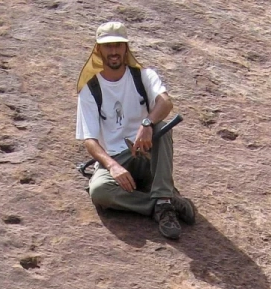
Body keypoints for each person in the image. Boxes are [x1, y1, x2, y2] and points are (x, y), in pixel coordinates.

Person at [76, 21, 196, 240]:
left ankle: (162, 198)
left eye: (118, 45)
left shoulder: (144, 76)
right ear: (98, 50)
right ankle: (163, 204)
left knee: (162, 126)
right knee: (100, 191)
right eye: (108, 46)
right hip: (116, 158)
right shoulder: (90, 89)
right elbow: (90, 140)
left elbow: (166, 103)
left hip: (147, 154)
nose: (113, 51)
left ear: (126, 48)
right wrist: (112, 166)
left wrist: (147, 124)